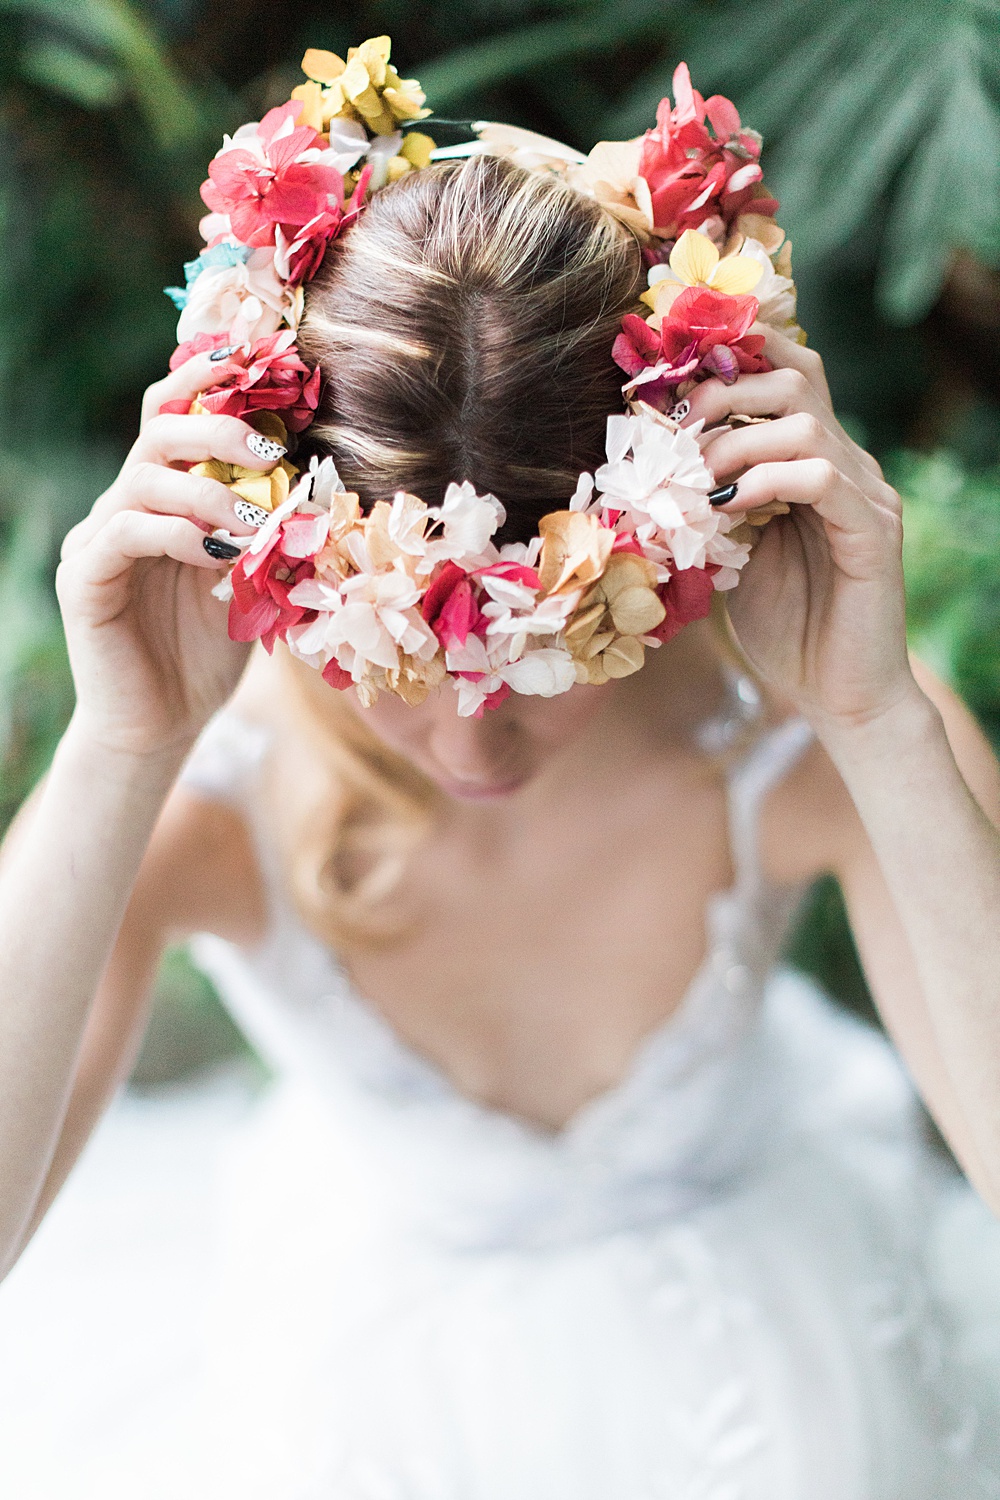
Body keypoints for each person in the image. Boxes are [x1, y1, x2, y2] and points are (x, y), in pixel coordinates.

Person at [1, 83, 1000, 1499]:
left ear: (682, 546)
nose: (476, 751)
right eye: (395, 666)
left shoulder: (800, 737)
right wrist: (120, 754)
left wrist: (879, 715)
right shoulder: (203, 791)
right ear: (280, 570)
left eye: (552, 661)